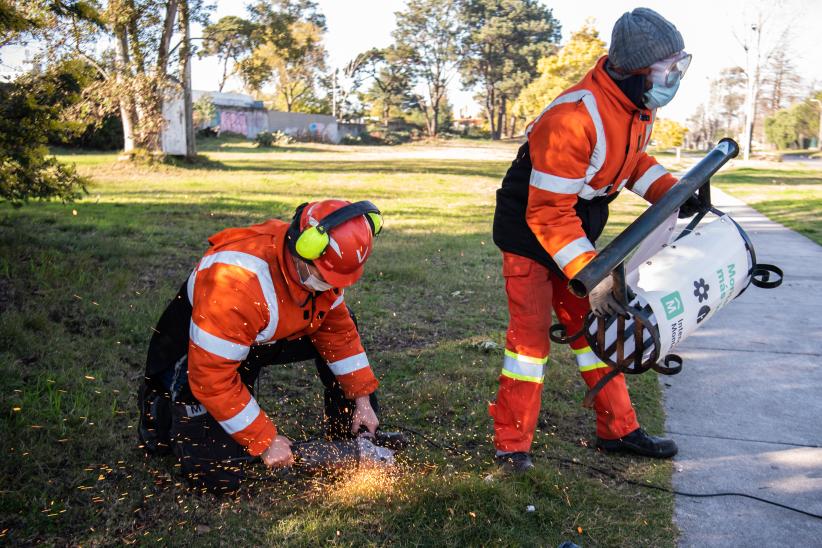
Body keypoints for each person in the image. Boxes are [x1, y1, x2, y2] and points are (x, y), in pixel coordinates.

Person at [491, 8, 697, 473]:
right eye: (668, 69)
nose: (674, 78)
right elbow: (546, 213)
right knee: (529, 344)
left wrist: (674, 192)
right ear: (636, 69)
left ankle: (619, 430)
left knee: (602, 331)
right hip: (530, 231)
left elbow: (632, 163)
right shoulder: (573, 117)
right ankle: (511, 447)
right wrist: (592, 273)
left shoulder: (636, 106)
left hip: (574, 226)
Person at [138, 199, 396, 492]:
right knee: (217, 478)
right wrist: (265, 440)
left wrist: (362, 399)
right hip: (208, 348)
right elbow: (211, 378)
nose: (329, 286)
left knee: (345, 320)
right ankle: (157, 413)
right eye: (324, 278)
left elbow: (338, 333)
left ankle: (351, 434)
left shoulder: (324, 268)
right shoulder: (237, 283)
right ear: (303, 249)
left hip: (268, 331)